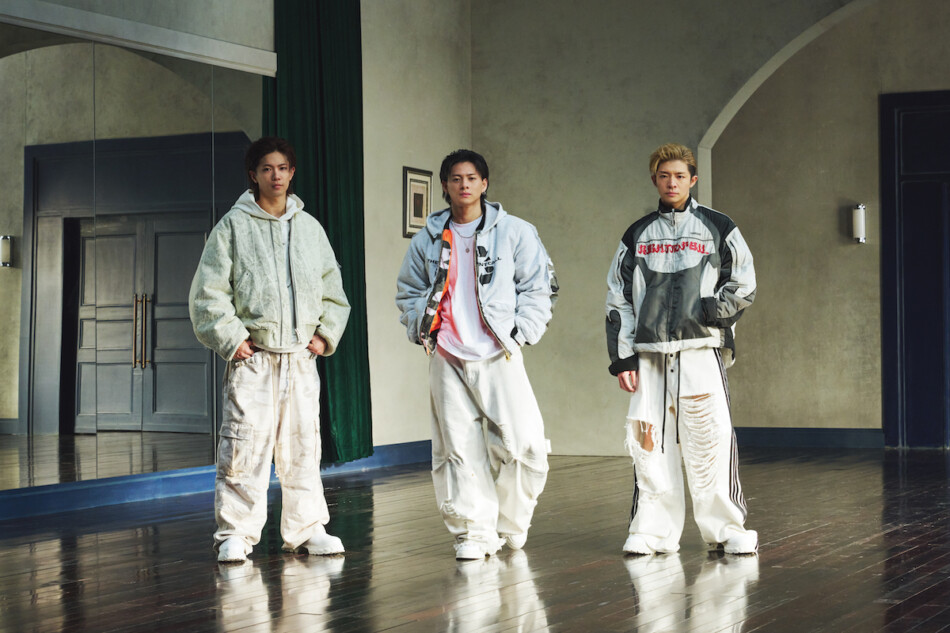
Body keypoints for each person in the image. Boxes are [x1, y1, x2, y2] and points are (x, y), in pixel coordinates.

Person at [189, 136, 351, 563]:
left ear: (292, 173)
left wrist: (324, 335)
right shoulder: (233, 227)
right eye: (266, 169)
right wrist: (232, 338)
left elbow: (332, 290)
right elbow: (208, 292)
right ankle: (236, 533)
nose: (275, 176)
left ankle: (308, 529)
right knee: (244, 446)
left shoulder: (310, 229)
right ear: (254, 175)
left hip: (300, 359)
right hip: (255, 360)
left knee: (303, 446)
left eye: (282, 168)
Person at [396, 149, 558, 560]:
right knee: (458, 448)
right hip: (447, 354)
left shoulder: (516, 231)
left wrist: (521, 332)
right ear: (445, 186)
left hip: (499, 351)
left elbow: (539, 286)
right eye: (456, 178)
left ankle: (511, 523)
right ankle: (474, 532)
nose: (464, 185)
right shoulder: (428, 238)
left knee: (525, 446)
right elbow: (409, 289)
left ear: (484, 184)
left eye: (471, 178)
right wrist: (423, 329)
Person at [605, 143, 758, 555]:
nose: (671, 183)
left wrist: (708, 313)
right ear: (654, 180)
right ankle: (651, 531)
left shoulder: (718, 226)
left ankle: (727, 529)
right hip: (651, 354)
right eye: (663, 176)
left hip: (700, 349)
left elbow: (743, 283)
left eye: (679, 176)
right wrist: (623, 358)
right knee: (648, 441)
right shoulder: (637, 234)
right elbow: (618, 297)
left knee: (711, 437)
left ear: (693, 179)